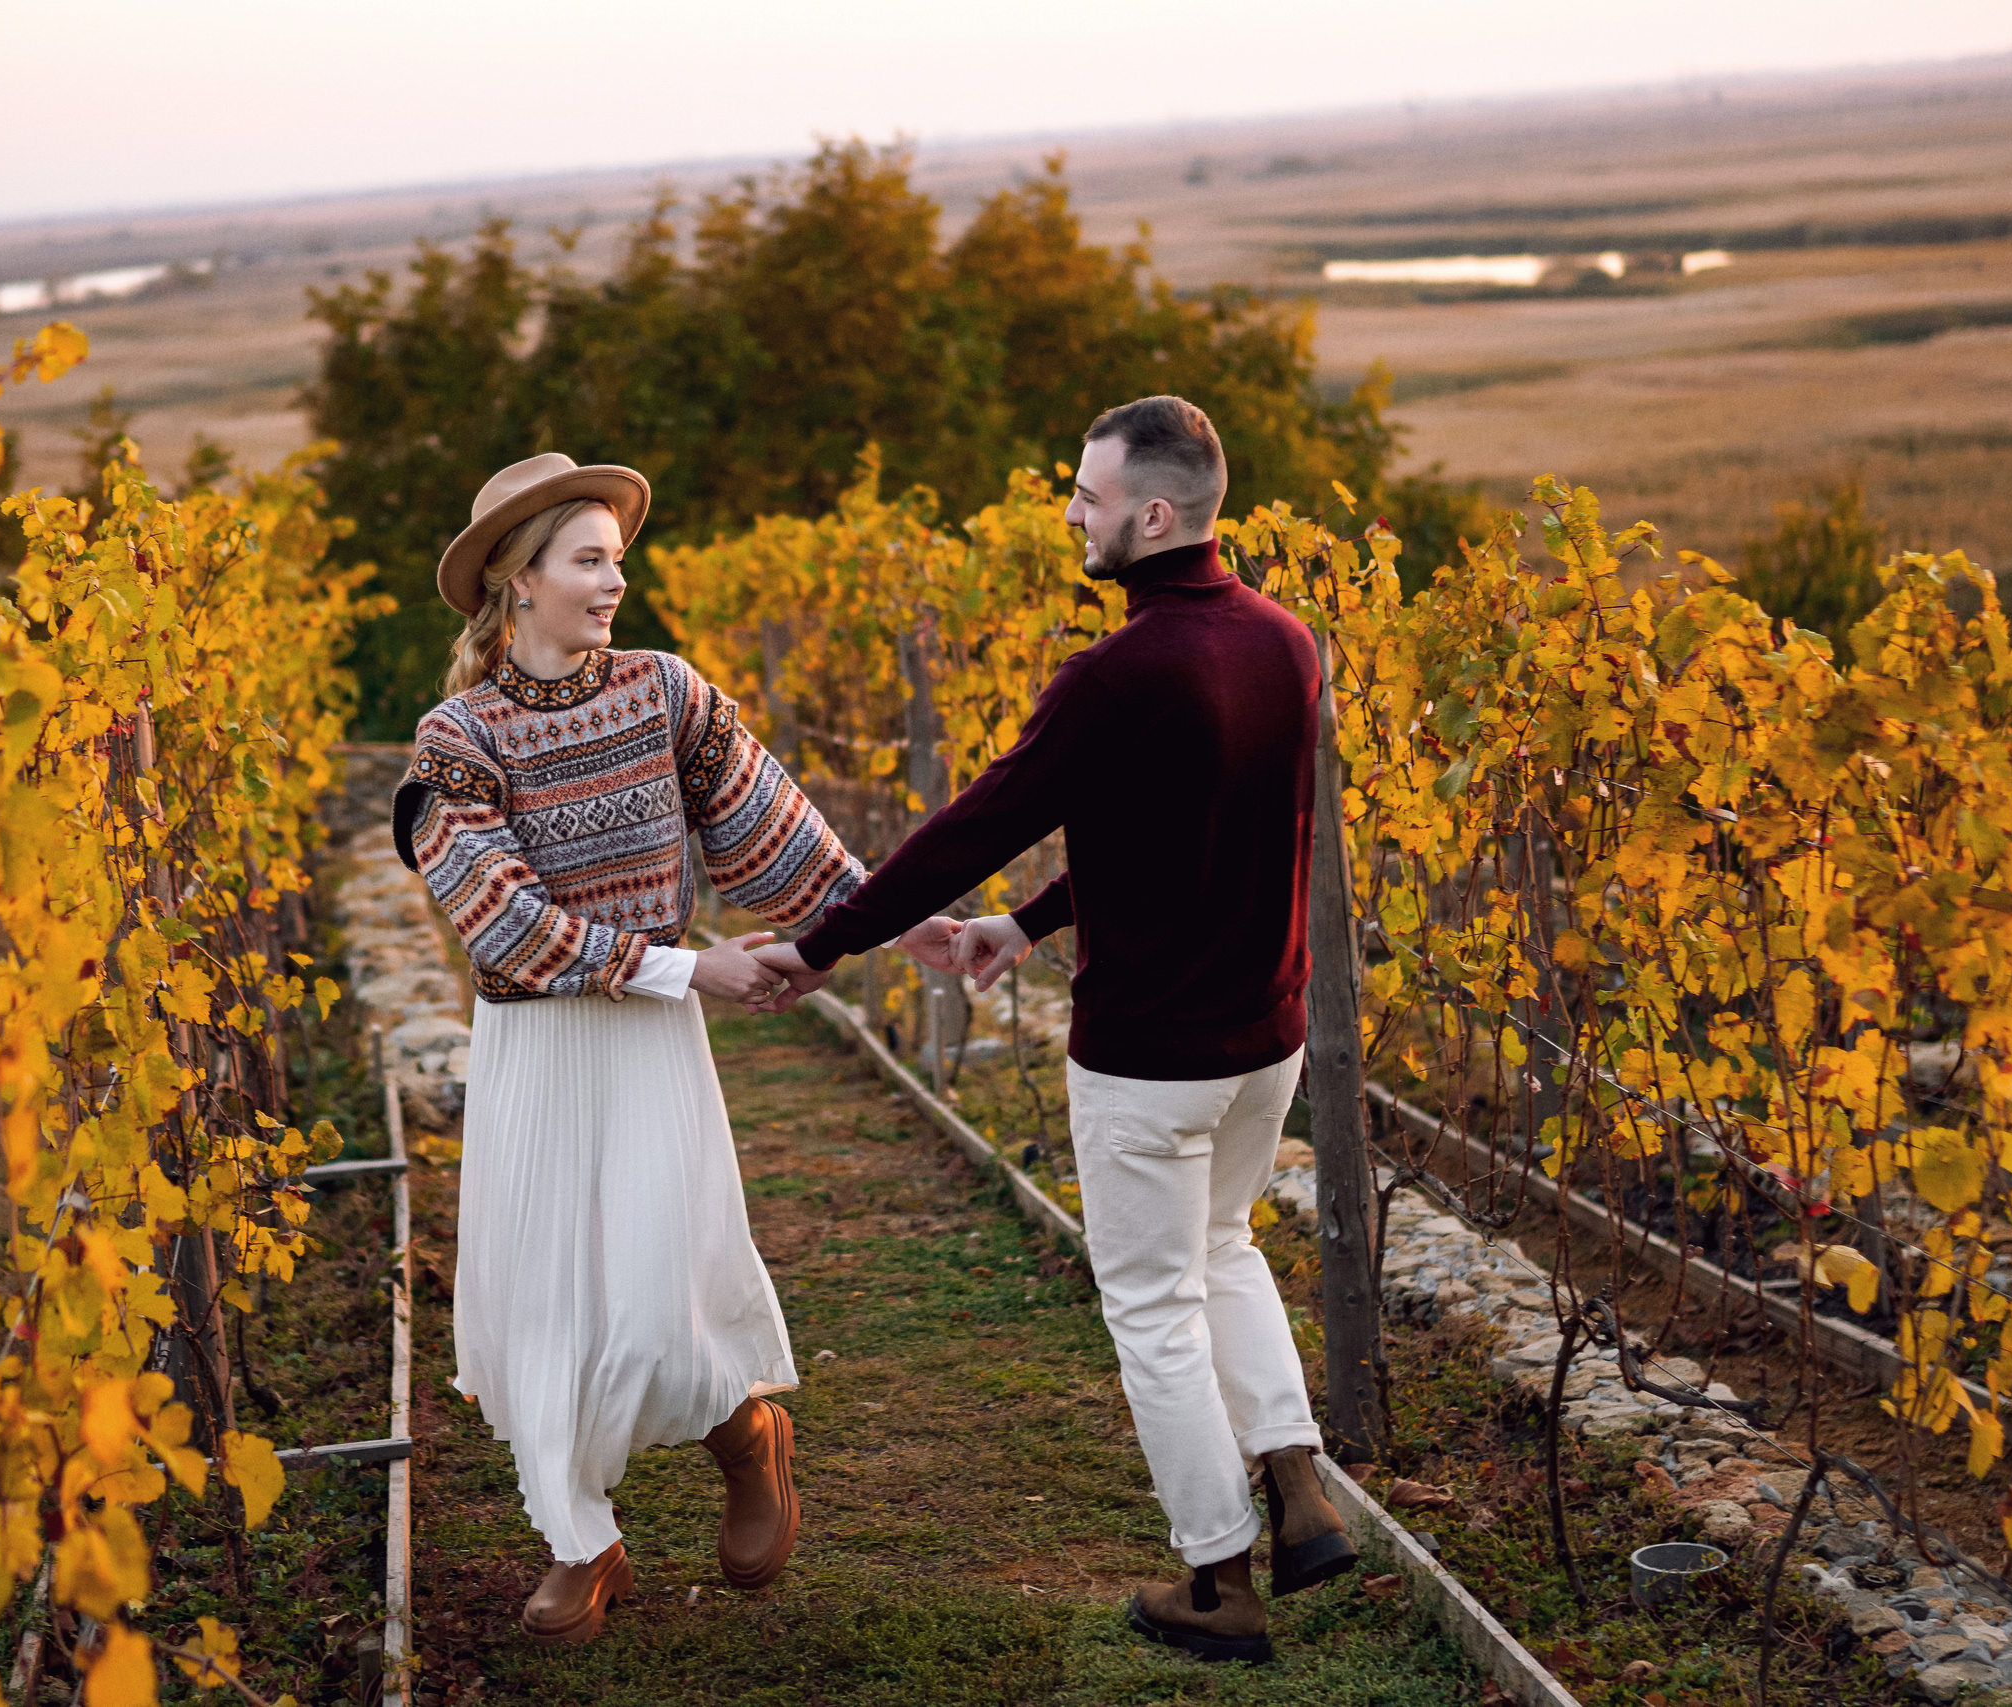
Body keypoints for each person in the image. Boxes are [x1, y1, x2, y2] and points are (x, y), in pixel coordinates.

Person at [755, 397, 1357, 1665]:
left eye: (1085, 498)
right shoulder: (1284, 643)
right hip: (1267, 1040)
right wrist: (1024, 929)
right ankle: (1299, 1491)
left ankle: (1217, 1580)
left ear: (1152, 512)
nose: (1069, 516)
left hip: (1151, 1055)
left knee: (1150, 1305)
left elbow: (975, 821)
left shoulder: (1116, 674)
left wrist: (823, 946)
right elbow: (1174, 834)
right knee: (1227, 1250)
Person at [393, 453, 960, 1643]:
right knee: (537, 1316)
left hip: (650, 1048)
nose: (613, 582)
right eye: (588, 560)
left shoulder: (665, 694)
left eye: (616, 558)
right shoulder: (454, 742)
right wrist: (688, 965)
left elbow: (778, 835)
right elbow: (501, 917)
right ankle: (581, 1543)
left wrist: (908, 928)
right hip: (538, 1051)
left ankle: (751, 1441)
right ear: (516, 579)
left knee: (658, 1305)